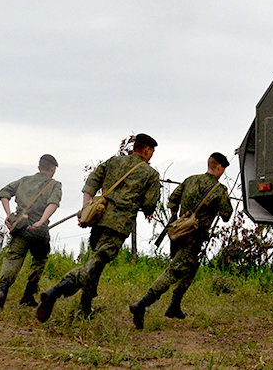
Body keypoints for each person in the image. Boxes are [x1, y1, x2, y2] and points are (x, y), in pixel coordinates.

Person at [36, 133, 161, 322]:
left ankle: (85, 309)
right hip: (118, 226)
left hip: (99, 219)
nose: (151, 155)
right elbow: (149, 205)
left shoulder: (113, 161)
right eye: (152, 152)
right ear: (146, 149)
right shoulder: (150, 174)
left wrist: (86, 208)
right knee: (93, 265)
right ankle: (55, 292)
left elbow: (90, 183)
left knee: (95, 264)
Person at [129, 152, 232, 329]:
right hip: (194, 237)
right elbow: (227, 215)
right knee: (174, 271)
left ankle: (174, 306)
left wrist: (179, 219)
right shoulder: (219, 190)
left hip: (178, 234)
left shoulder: (190, 180)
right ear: (220, 167)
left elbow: (172, 200)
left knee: (191, 268)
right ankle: (142, 304)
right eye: (223, 169)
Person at [0, 154, 62, 311]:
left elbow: (4, 193)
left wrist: (8, 214)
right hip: (39, 230)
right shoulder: (54, 185)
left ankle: (2, 290)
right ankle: (28, 295)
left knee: (13, 258)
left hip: (21, 227)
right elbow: (53, 203)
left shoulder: (24, 180)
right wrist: (41, 221)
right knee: (39, 259)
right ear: (53, 170)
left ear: (39, 168)